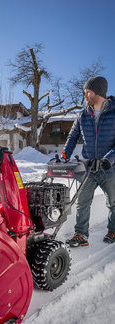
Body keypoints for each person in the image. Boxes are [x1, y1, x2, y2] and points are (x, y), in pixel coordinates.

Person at [62, 76, 115, 247]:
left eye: (88, 92)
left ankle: (112, 230)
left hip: (109, 169)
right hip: (88, 167)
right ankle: (80, 235)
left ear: (98, 92)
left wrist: (109, 159)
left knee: (113, 202)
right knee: (82, 202)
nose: (85, 96)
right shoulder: (83, 115)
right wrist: (64, 154)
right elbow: (72, 137)